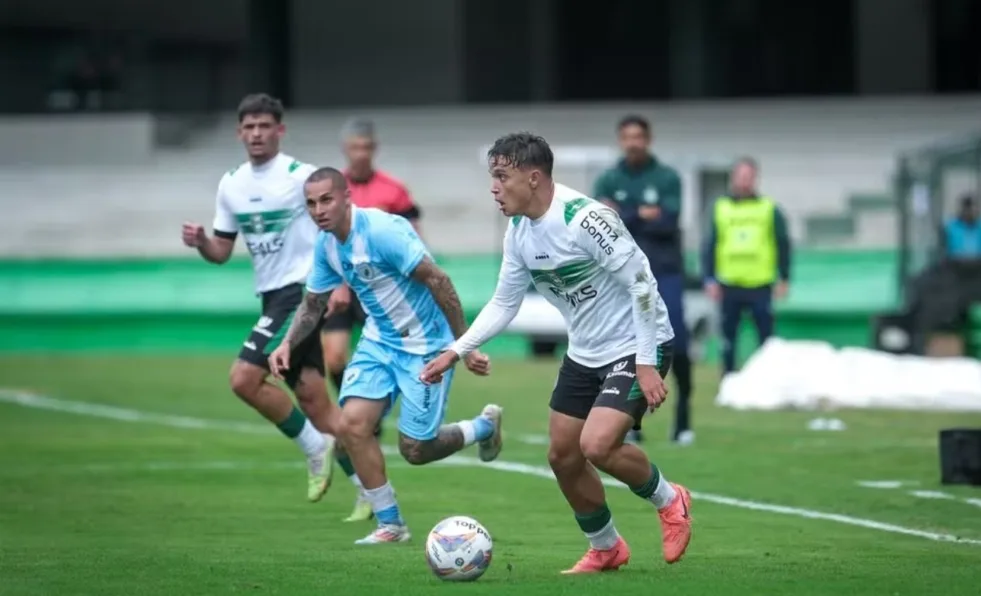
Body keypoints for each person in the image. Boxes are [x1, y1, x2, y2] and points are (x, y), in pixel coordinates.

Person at [421, 133, 693, 574]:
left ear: (533, 178)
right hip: (585, 351)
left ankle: (670, 499)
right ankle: (606, 548)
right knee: (562, 456)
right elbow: (504, 303)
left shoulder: (585, 219)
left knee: (598, 445)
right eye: (492, 176)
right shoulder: (519, 233)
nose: (494, 187)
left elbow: (642, 283)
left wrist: (646, 362)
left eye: (501, 176)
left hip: (639, 343)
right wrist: (456, 351)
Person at [269, 166, 503, 545]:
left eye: (326, 199)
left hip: (425, 345)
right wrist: (286, 344)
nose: (318, 210)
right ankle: (391, 525)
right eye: (311, 203)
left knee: (416, 449)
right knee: (351, 425)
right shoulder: (326, 244)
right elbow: (313, 304)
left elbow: (439, 280)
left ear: (347, 197)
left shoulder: (382, 231)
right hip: (379, 343)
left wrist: (464, 345)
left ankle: (483, 428)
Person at [180, 93, 342, 502]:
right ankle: (376, 497)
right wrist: (201, 242)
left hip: (301, 294)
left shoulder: (299, 176)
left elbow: (336, 223)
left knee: (244, 378)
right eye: (249, 127)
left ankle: (314, 447)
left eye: (264, 126)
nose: (256, 133)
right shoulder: (231, 184)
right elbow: (221, 252)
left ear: (279, 130)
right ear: (239, 133)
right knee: (315, 402)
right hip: (272, 298)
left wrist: (341, 281)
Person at [320, 119, 423, 522]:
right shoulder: (332, 191)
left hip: (385, 295)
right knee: (333, 359)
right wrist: (336, 284)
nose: (360, 153)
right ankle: (363, 415)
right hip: (347, 292)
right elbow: (327, 242)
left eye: (367, 147)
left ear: (373, 148)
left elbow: (412, 235)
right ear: (346, 149)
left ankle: (367, 415)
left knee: (392, 357)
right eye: (355, 147)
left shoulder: (392, 191)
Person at [593, 114, 694, 446]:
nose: (633, 142)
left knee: (676, 344)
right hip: (624, 276)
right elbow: (603, 224)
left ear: (647, 139)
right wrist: (643, 212)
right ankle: (630, 424)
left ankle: (683, 421)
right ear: (620, 140)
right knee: (626, 347)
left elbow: (668, 222)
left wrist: (625, 212)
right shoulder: (608, 178)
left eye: (638, 136)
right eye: (627, 137)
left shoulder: (666, 177)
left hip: (664, 272)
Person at [701, 157, 791, 375]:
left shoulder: (769, 208)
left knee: (766, 339)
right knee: (728, 337)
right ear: (733, 178)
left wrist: (784, 277)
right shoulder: (720, 207)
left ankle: (767, 379)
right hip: (729, 282)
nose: (744, 181)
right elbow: (710, 244)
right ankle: (728, 379)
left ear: (755, 179)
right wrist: (709, 278)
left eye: (748, 176)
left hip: (760, 283)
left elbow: (783, 243)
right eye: (740, 176)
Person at [938, 193, 981, 305]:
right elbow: (943, 248)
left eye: (973, 209)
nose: (970, 212)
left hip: (979, 267)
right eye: (968, 209)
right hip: (957, 267)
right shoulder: (951, 226)